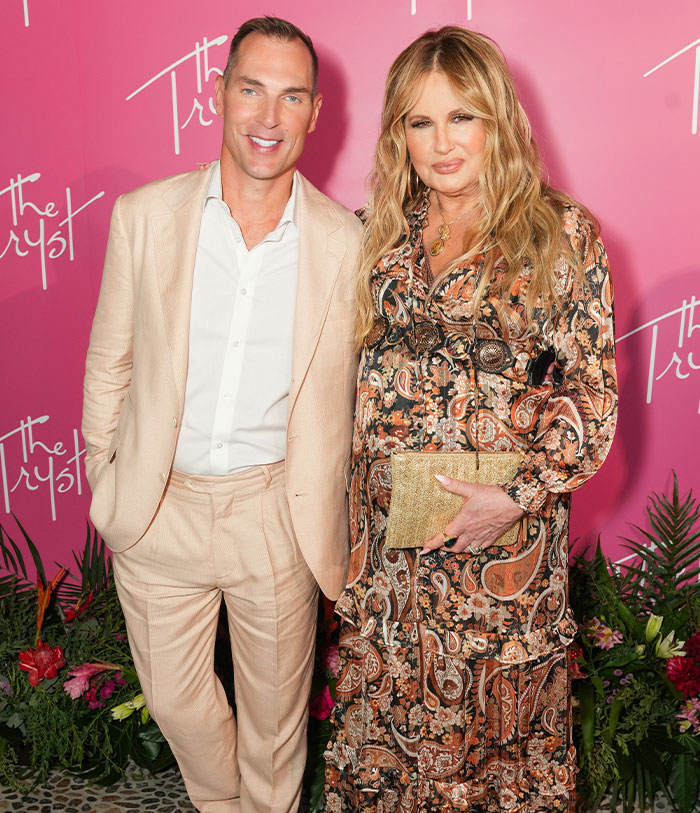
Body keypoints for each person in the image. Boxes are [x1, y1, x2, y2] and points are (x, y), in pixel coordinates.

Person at [324, 26, 617, 813]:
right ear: (399, 135)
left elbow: (587, 393)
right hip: (392, 569)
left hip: (500, 562)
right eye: (420, 122)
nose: (442, 142)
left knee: (498, 768)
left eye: (463, 117)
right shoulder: (376, 239)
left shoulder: (559, 236)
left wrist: (519, 495)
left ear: (498, 120)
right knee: (389, 756)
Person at [82, 16, 361, 813]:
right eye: (251, 89)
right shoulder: (146, 217)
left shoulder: (345, 245)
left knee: (276, 727)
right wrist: (109, 474)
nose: (268, 117)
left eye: (291, 96)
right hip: (157, 505)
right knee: (175, 701)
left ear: (314, 114)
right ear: (218, 94)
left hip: (273, 510)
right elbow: (110, 361)